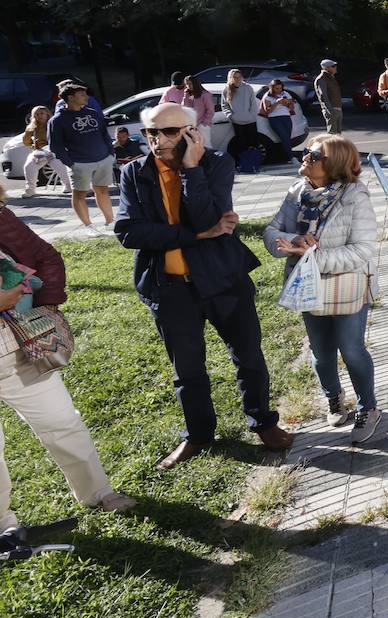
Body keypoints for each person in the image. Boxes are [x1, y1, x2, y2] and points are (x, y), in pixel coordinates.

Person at [114, 103, 292, 469]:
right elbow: (128, 232)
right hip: (170, 286)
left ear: (192, 132)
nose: (157, 141)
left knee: (248, 356)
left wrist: (192, 169)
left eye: (168, 132)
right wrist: (196, 234)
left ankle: (262, 422)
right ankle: (198, 435)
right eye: (150, 132)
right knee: (188, 369)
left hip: (223, 278)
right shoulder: (134, 172)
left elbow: (212, 216)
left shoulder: (215, 164)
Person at [0, 186, 136, 530]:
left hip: (20, 348)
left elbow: (45, 255)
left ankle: (98, 492)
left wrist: (45, 306)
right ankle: (3, 526)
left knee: (62, 422)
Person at [264, 136, 382, 444]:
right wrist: (293, 241)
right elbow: (271, 231)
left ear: (334, 164)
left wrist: (314, 256)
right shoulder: (297, 192)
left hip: (348, 284)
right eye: (306, 152)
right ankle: (333, 396)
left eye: (314, 154)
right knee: (320, 351)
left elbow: (364, 249)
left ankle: (367, 407)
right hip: (308, 284)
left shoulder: (354, 195)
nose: (305, 157)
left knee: (351, 347)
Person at [46, 82, 115, 236]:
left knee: (102, 190)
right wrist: (72, 164)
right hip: (80, 163)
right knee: (80, 194)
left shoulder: (93, 113)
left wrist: (110, 153)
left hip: (104, 159)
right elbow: (55, 147)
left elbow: (104, 134)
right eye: (82, 94)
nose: (86, 97)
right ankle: (89, 227)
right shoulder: (57, 121)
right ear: (70, 98)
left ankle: (110, 222)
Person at [20, 105, 72, 197]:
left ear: (47, 114)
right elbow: (26, 141)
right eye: (36, 114)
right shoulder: (31, 127)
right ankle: (30, 189)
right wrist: (33, 144)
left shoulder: (54, 123)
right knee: (29, 166)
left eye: (42, 113)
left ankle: (68, 185)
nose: (39, 116)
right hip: (40, 151)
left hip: (55, 150)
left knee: (59, 164)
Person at [223, 69, 261, 161]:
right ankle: (243, 164)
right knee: (240, 145)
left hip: (250, 121)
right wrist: (230, 116)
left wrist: (251, 115)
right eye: (234, 77)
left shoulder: (248, 88)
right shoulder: (226, 89)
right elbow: (224, 105)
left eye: (239, 77)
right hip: (237, 122)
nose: (237, 79)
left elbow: (253, 104)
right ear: (230, 78)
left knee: (253, 144)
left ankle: (255, 163)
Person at [259, 79, 296, 163]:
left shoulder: (286, 94)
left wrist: (288, 103)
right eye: (276, 88)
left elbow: (292, 107)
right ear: (272, 88)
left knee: (287, 138)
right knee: (284, 137)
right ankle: (291, 157)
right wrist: (277, 103)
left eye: (280, 88)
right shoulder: (267, 96)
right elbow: (267, 110)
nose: (279, 90)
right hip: (275, 118)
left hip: (286, 117)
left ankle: (286, 157)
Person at [181, 75, 215, 151]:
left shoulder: (205, 94)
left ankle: (209, 161)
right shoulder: (189, 94)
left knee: (206, 145)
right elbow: (184, 108)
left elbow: (211, 110)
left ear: (195, 83)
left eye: (190, 83)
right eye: (186, 84)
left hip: (202, 125)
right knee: (194, 146)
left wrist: (204, 123)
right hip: (192, 126)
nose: (188, 86)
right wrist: (185, 95)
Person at [315, 59, 343, 135]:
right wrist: (330, 111)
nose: (335, 68)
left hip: (337, 108)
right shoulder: (321, 79)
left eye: (335, 66)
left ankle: (337, 147)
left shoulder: (331, 77)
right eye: (333, 66)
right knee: (332, 135)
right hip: (331, 110)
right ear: (326, 68)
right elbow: (323, 96)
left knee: (338, 134)